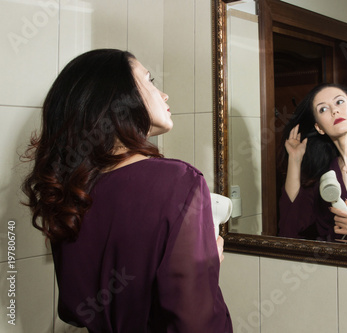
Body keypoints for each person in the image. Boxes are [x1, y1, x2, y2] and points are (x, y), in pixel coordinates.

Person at [22, 49, 232, 332]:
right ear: (117, 98)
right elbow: (196, 323)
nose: (164, 95)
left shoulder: (71, 190)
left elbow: (73, 308)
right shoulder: (179, 181)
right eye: (150, 80)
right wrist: (204, 270)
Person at [277, 83, 347, 244]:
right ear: (319, 127)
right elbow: (289, 229)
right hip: (333, 267)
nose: (335, 110)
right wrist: (295, 159)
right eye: (323, 109)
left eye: (339, 102)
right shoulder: (324, 176)